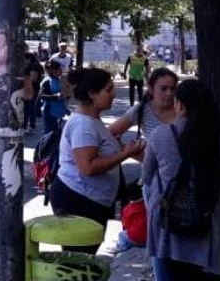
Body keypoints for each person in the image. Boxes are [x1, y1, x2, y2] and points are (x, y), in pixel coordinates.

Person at [143, 79, 220, 280]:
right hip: (208, 227)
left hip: (168, 230)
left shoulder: (160, 134)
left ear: (180, 105)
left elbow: (146, 177)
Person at [50, 68, 142, 253]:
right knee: (79, 261)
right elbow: (88, 167)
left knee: (83, 258)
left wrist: (124, 149)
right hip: (79, 200)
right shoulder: (84, 125)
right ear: (92, 93)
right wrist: (124, 154)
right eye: (108, 90)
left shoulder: (92, 120)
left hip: (90, 200)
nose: (114, 94)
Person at [109, 68, 180, 149]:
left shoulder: (184, 109)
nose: (169, 93)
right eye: (163, 89)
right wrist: (130, 152)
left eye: (173, 88)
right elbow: (109, 135)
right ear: (151, 89)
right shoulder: (142, 109)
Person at [39, 60, 67, 135]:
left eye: (61, 68)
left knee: (56, 133)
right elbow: (42, 96)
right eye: (59, 69)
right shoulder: (47, 81)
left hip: (58, 112)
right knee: (49, 135)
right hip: (50, 112)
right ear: (52, 70)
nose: (61, 70)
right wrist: (56, 96)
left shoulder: (58, 80)